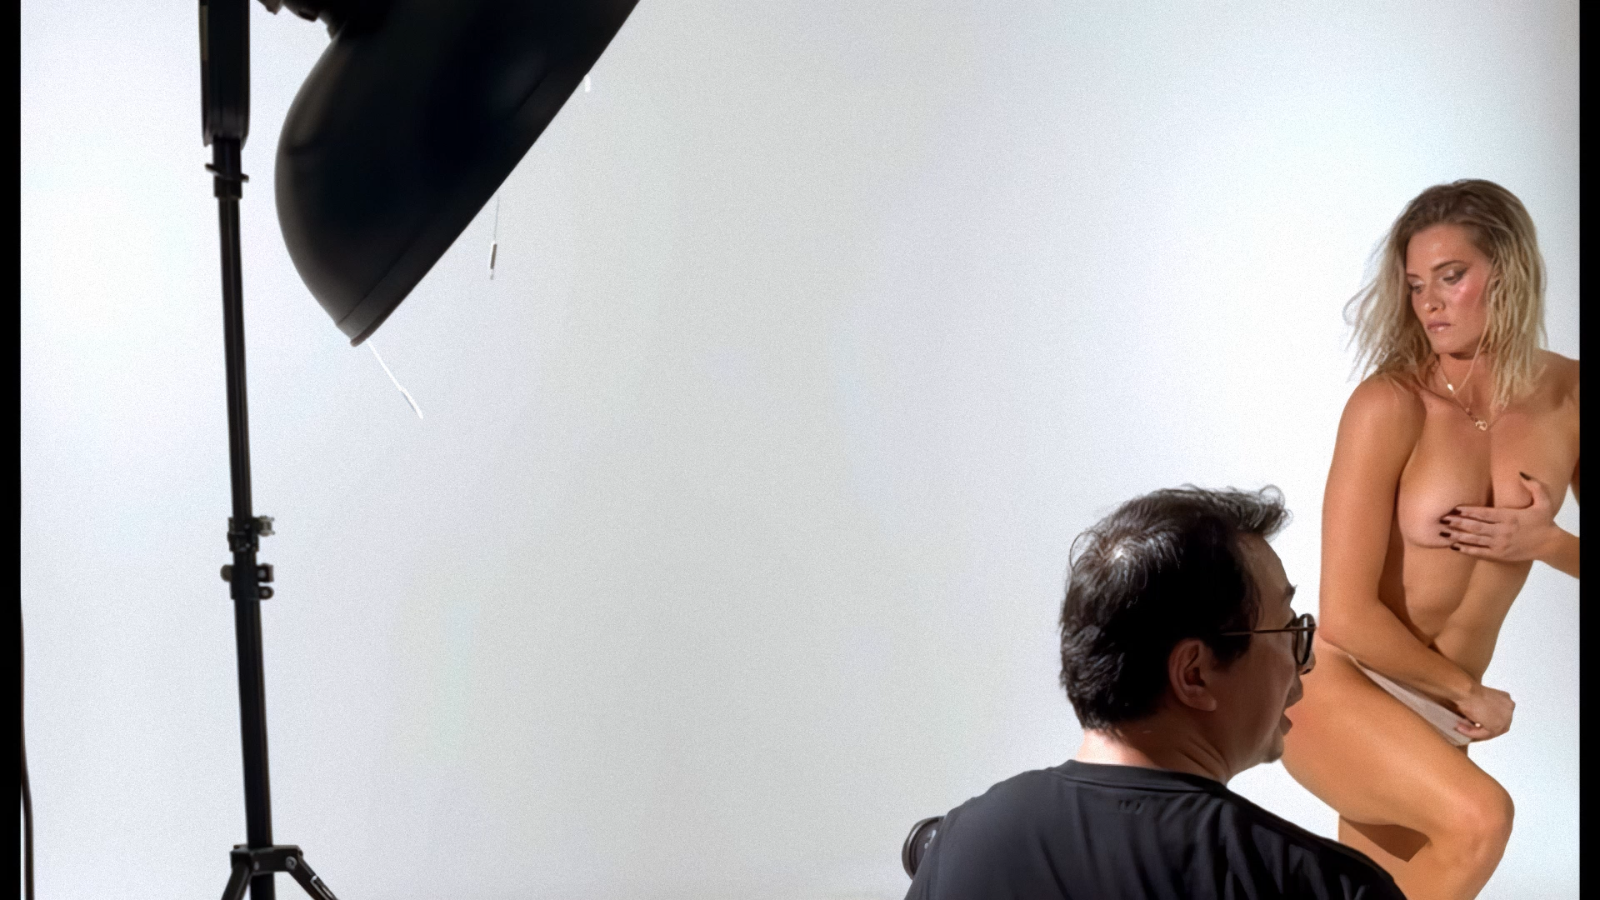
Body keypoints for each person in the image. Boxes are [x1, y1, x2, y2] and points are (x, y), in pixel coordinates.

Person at [1280, 179, 1580, 900]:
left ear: (1507, 272)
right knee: (1481, 819)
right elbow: (1345, 613)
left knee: (1374, 893)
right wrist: (1469, 693)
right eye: (1416, 285)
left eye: (1451, 276)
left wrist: (1545, 542)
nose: (1430, 303)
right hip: (1344, 686)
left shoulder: (1570, 397)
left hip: (1441, 714)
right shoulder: (1390, 404)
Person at [905, 487, 1403, 900]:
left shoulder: (959, 846)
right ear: (1194, 674)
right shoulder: (1322, 886)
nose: (1305, 661)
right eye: (1288, 629)